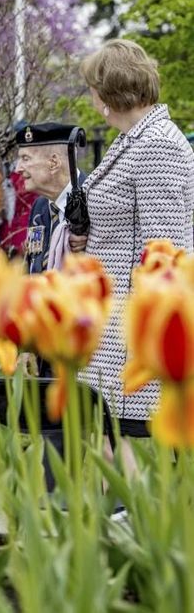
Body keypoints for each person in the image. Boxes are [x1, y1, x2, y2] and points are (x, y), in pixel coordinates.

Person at [70, 39, 194, 442]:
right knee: (107, 451)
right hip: (109, 326)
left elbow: (165, 252)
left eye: (92, 87)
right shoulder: (132, 140)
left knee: (129, 463)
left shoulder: (157, 144)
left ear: (106, 93)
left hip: (132, 335)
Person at [15, 123, 79, 274]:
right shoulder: (40, 206)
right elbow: (33, 265)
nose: (17, 168)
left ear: (54, 163)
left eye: (25, 158)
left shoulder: (94, 200)